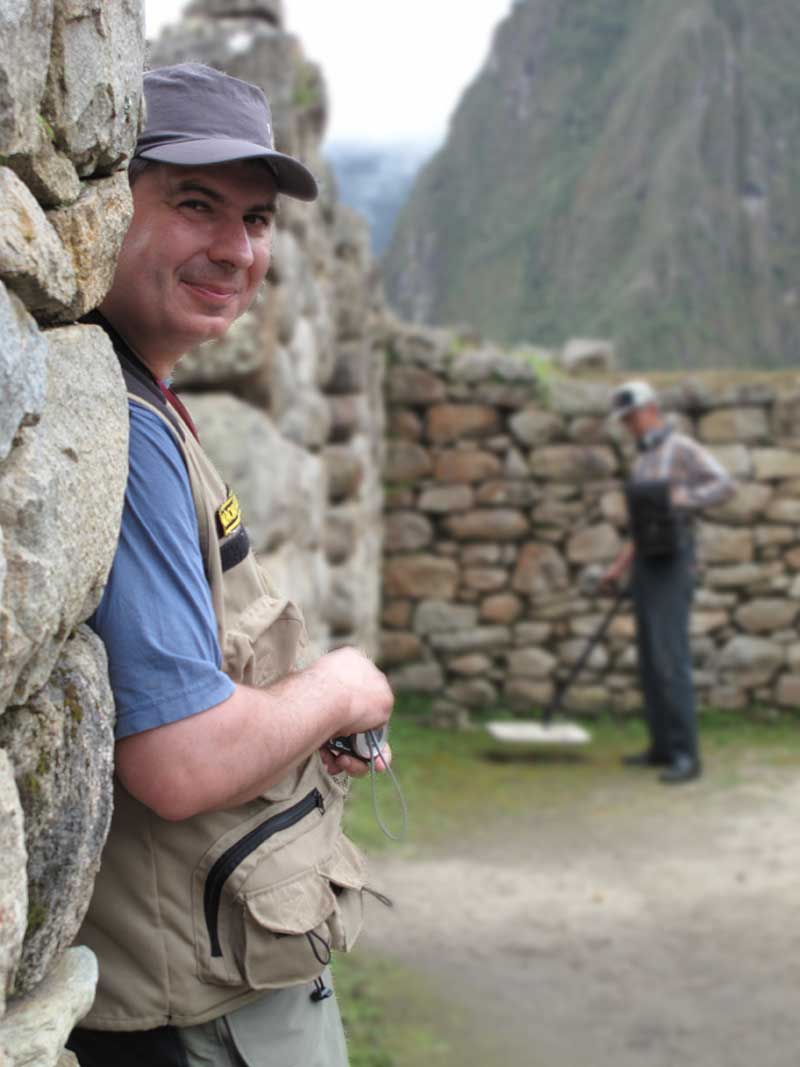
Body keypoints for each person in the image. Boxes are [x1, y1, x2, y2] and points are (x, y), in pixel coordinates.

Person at [67, 63, 393, 1067]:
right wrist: (340, 686)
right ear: (102, 205)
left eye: (254, 219)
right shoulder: (123, 433)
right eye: (194, 203)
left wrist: (297, 725)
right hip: (203, 1017)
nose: (236, 248)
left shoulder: (141, 399)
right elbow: (179, 761)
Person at [602, 380, 735, 785]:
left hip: (674, 563)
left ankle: (685, 755)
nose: (628, 426)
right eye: (624, 421)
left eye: (631, 418)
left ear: (650, 410)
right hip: (646, 563)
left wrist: (682, 500)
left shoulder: (682, 448)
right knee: (649, 659)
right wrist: (620, 565)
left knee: (670, 658)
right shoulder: (643, 461)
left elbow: (723, 484)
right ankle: (661, 746)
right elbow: (642, 526)